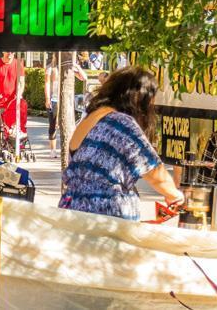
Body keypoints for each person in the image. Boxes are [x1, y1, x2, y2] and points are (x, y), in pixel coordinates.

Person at [60, 67, 184, 220]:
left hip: (73, 212)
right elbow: (154, 171)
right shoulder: (120, 122)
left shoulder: (91, 118)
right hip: (106, 215)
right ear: (139, 98)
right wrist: (175, 195)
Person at [44, 54, 86, 157]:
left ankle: (69, 149)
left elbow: (84, 77)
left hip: (67, 100)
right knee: (53, 124)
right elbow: (47, 83)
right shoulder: (51, 68)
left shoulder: (69, 68)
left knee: (69, 124)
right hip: (54, 99)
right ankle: (52, 150)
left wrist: (76, 65)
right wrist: (47, 99)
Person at [0, 52, 25, 147]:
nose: (9, 53)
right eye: (7, 51)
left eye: (12, 51)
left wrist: (19, 94)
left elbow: (21, 83)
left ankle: (12, 145)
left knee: (13, 125)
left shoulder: (18, 64)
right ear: (3, 51)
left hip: (12, 102)